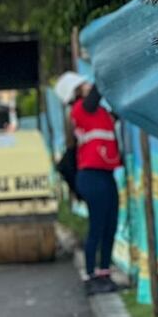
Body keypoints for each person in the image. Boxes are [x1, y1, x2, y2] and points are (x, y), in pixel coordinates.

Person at [56, 72, 122, 295]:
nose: (87, 85)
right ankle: (91, 276)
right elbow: (99, 88)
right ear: (76, 91)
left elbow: (116, 114)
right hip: (92, 176)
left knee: (110, 224)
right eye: (82, 84)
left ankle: (104, 272)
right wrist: (108, 64)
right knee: (97, 226)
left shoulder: (99, 111)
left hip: (106, 173)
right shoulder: (82, 109)